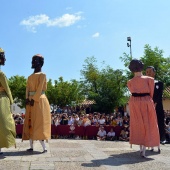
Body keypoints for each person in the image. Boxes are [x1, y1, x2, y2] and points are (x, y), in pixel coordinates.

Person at [127, 59, 160, 158]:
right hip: (146, 100)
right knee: (149, 123)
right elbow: (151, 93)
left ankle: (142, 149)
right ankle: (147, 147)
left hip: (134, 102)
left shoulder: (130, 82)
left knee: (138, 124)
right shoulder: (150, 79)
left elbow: (132, 91)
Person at [22, 54, 51, 153]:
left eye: (35, 60)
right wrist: (27, 98)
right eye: (32, 60)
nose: (32, 62)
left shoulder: (43, 75)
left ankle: (44, 147)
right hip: (30, 101)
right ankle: (31, 146)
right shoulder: (30, 77)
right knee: (29, 122)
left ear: (40, 63)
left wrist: (34, 99)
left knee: (39, 123)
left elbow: (40, 88)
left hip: (39, 100)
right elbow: (27, 88)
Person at [0, 48, 16, 154]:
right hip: (2, 99)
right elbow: (7, 89)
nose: (5, 59)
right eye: (3, 56)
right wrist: (11, 102)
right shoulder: (1, 74)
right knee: (5, 124)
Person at [146, 66, 166, 145]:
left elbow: (159, 95)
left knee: (160, 121)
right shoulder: (145, 83)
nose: (148, 73)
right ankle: (149, 139)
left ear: (154, 72)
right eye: (147, 72)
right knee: (149, 123)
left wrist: (155, 103)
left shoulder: (159, 83)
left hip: (158, 106)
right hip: (148, 105)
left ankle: (162, 138)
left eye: (150, 71)